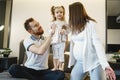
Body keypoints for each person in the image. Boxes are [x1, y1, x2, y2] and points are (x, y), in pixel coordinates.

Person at [68, 2, 116, 80]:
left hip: (94, 62)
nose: (69, 15)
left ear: (75, 13)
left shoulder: (91, 24)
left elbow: (98, 45)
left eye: (70, 13)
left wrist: (106, 65)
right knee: (73, 77)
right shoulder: (74, 26)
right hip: (80, 62)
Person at [50, 6, 69, 71]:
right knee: (55, 55)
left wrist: (64, 31)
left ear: (63, 13)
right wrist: (52, 30)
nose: (59, 13)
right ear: (54, 14)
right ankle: (55, 67)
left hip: (62, 42)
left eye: (61, 12)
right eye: (57, 12)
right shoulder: (52, 23)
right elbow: (49, 31)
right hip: (54, 42)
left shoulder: (65, 23)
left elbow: (68, 31)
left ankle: (60, 67)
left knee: (61, 55)